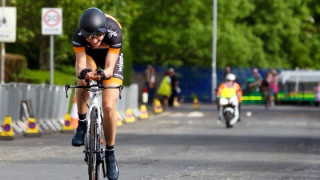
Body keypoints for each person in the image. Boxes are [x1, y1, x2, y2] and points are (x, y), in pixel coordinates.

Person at [71, 7, 123, 180]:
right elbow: (79, 65)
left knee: (108, 106)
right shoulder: (79, 36)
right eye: (89, 37)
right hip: (90, 58)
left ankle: (110, 154)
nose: (94, 41)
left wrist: (104, 74)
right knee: (82, 81)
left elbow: (109, 68)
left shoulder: (114, 31)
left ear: (104, 31)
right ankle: (82, 123)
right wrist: (85, 73)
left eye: (98, 36)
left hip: (110, 59)